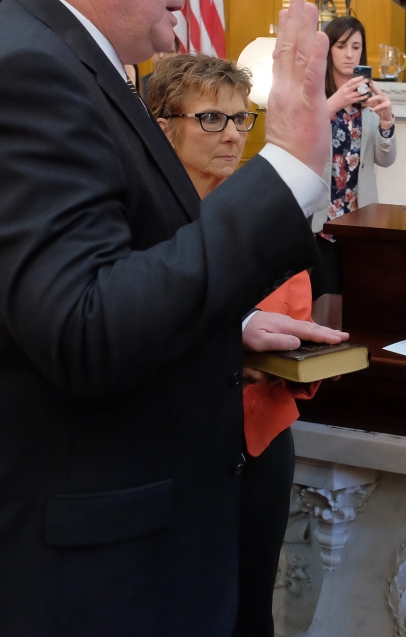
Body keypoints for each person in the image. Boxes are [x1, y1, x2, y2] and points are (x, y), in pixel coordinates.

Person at [0, 0, 342, 637]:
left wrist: (231, 324)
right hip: (62, 579)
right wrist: (286, 167)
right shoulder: (25, 77)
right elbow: (85, 328)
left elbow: (96, 270)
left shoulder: (61, 62)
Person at [147, 53, 329, 637]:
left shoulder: (260, 210)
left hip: (259, 439)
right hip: (172, 441)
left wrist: (293, 354)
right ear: (162, 124)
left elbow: (295, 309)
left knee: (250, 605)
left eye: (240, 119)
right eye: (211, 119)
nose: (230, 134)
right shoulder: (142, 213)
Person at [309, 15, 396, 296]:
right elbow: (299, 146)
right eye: (341, 45)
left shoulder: (370, 101)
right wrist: (332, 105)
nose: (349, 54)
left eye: (356, 47)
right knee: (324, 298)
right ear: (328, 50)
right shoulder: (312, 96)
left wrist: (386, 121)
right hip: (320, 220)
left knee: (360, 297)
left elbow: (385, 160)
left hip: (359, 219)